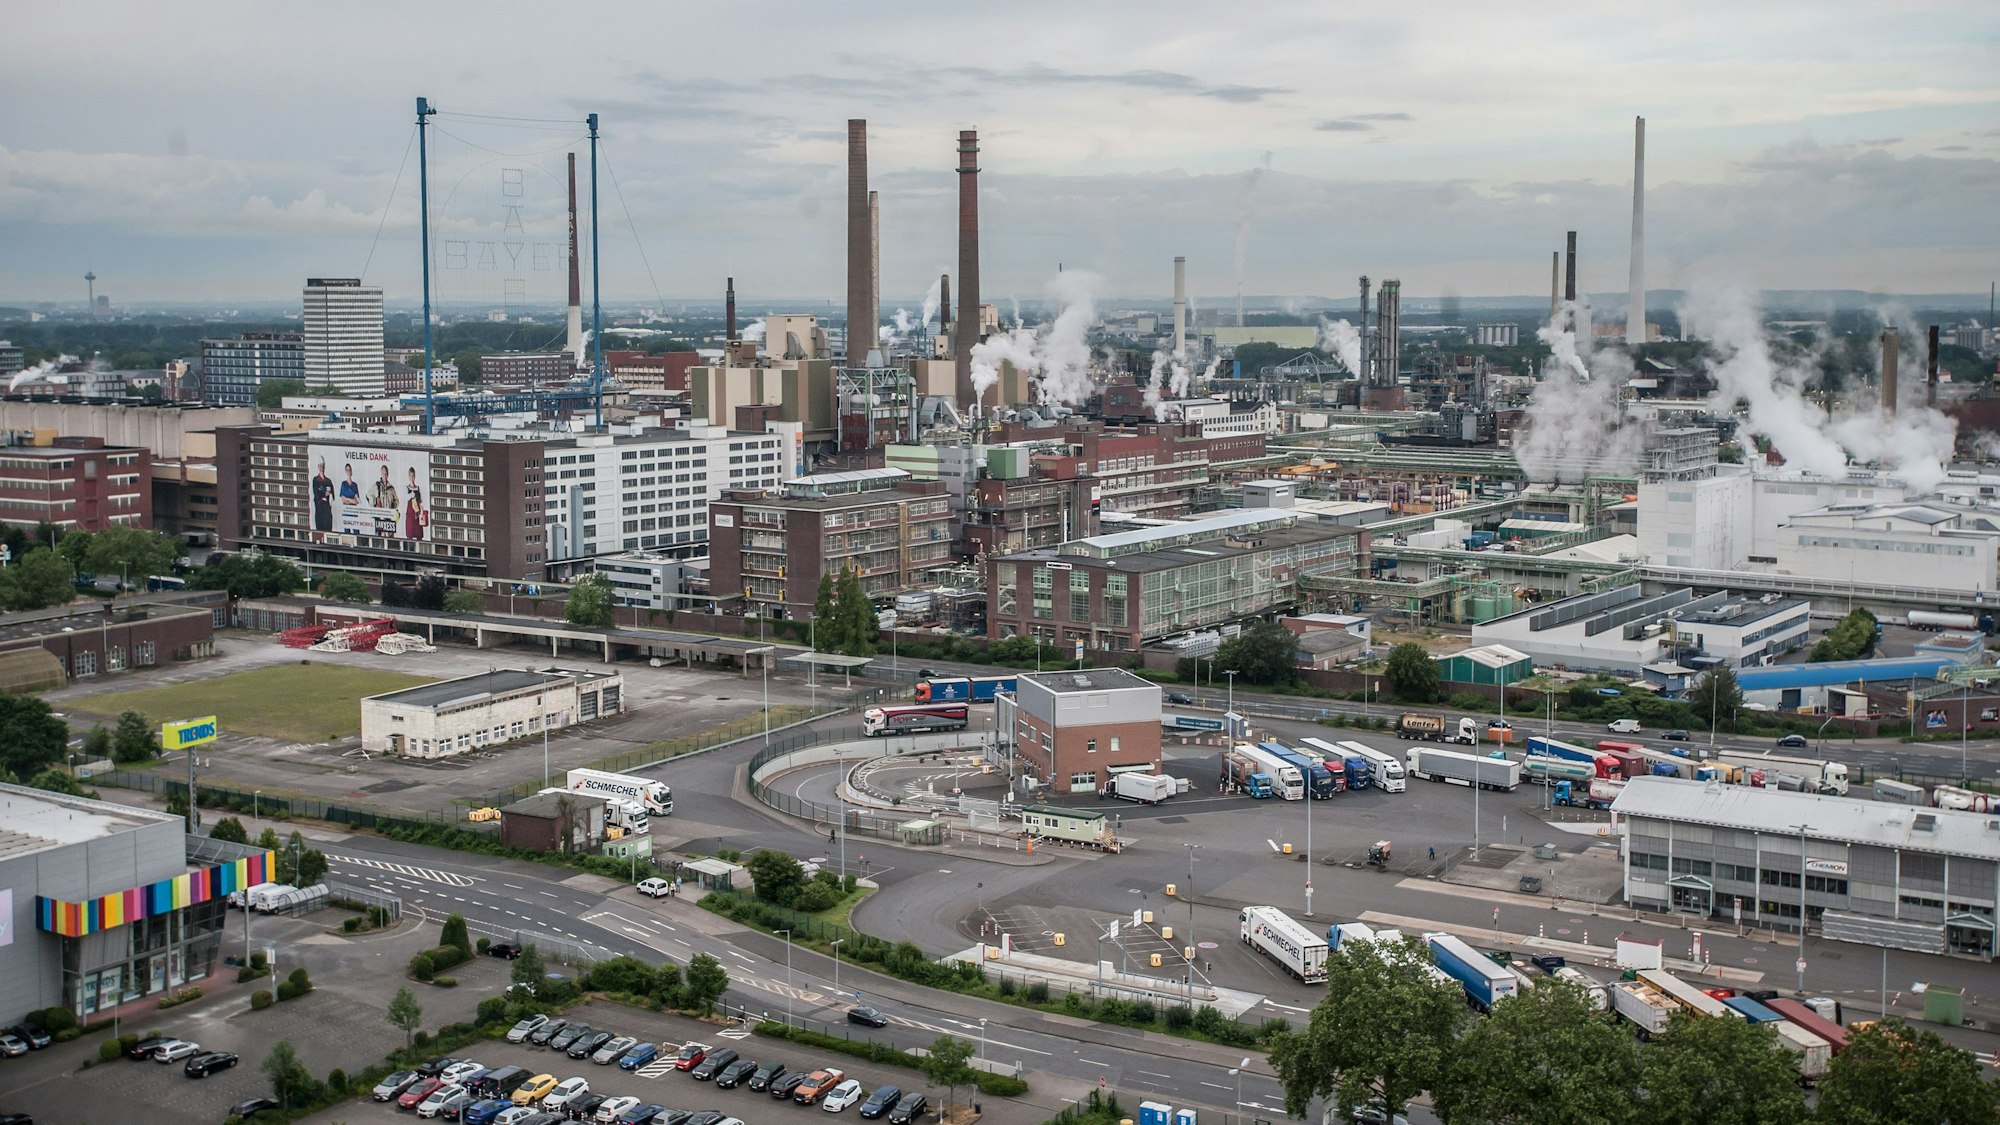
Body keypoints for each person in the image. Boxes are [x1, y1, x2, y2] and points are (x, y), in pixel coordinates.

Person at [310, 459, 334, 532]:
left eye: (323, 466)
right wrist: (323, 496)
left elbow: (331, 494)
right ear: (318, 467)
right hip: (319, 508)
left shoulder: (328, 481)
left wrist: (325, 495)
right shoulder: (316, 480)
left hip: (327, 509)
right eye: (320, 466)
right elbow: (316, 494)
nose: (322, 467)